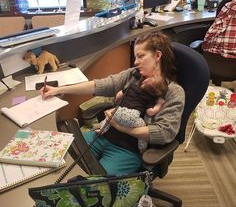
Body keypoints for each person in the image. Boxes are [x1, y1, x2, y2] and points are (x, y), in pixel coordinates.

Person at [40, 31, 185, 175]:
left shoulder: (173, 92)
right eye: (135, 56)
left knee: (96, 188)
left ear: (158, 56)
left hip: (127, 150)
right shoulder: (134, 75)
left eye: (141, 56)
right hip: (102, 134)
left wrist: (121, 127)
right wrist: (58, 90)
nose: (135, 62)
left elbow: (164, 133)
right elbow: (99, 85)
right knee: (61, 159)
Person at [95, 74, 167, 152]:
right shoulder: (149, 98)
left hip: (119, 111)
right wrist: (159, 104)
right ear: (154, 93)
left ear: (144, 81)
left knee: (109, 114)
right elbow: (150, 112)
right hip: (132, 117)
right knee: (143, 127)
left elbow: (119, 94)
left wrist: (117, 99)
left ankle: (101, 129)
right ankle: (142, 148)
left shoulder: (132, 86)